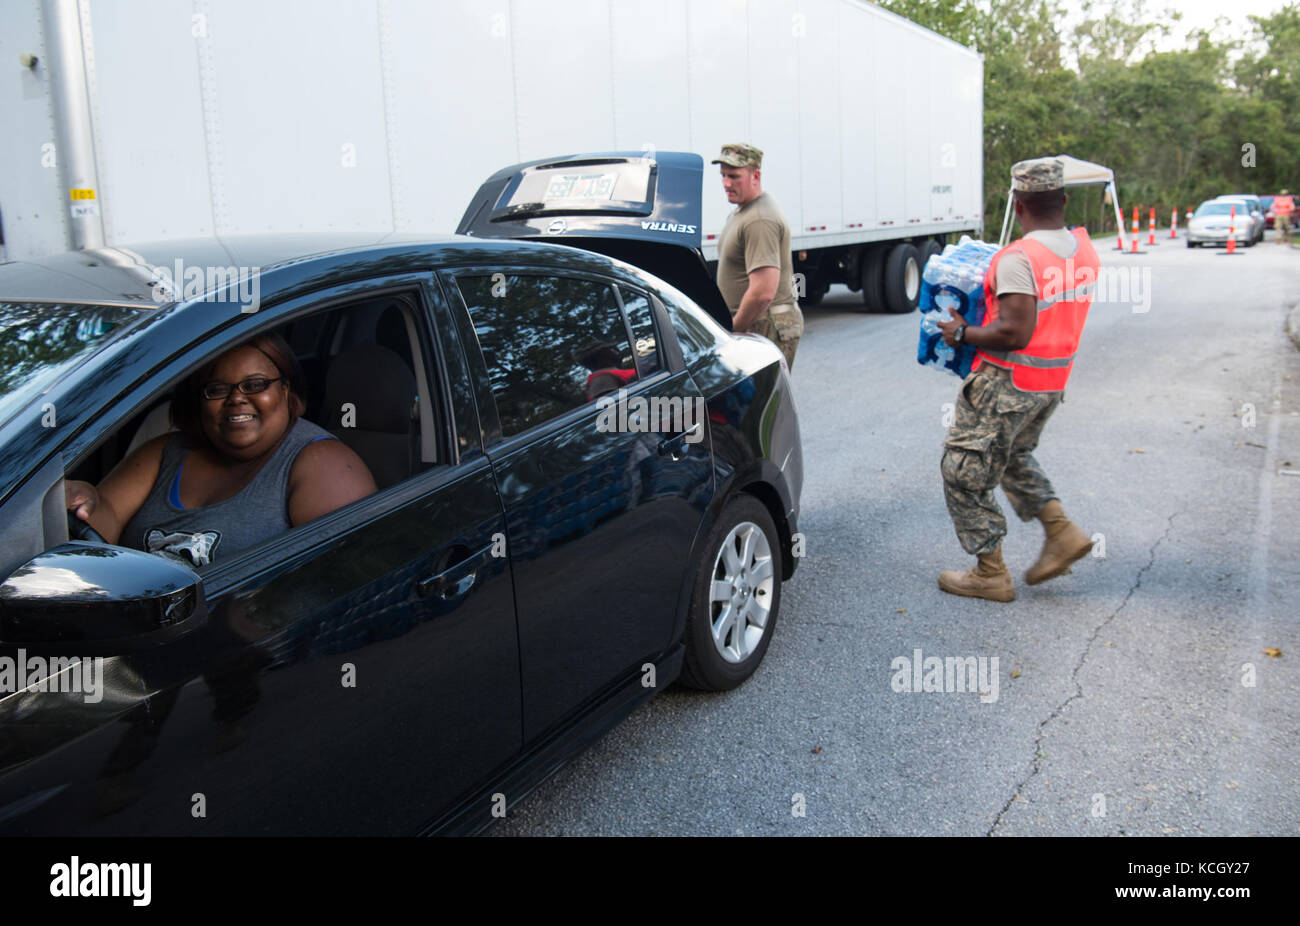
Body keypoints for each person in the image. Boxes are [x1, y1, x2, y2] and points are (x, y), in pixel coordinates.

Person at [934, 157, 1099, 602]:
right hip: (1049, 384)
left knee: (962, 470)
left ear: (1018, 204)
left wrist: (961, 333)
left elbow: (1014, 331)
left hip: (1006, 383)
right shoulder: (1083, 249)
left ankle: (990, 572)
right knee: (1010, 457)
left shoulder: (1019, 258)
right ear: (1063, 200)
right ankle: (1061, 532)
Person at [66, 333, 377, 568]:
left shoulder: (323, 464)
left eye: (255, 385)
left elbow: (336, 581)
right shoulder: (164, 453)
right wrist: (86, 499)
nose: (236, 399)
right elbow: (94, 532)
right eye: (217, 390)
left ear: (285, 390)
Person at [712, 143, 803, 368]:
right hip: (757, 324)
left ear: (756, 176)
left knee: (761, 401)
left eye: (734, 176)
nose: (726, 183)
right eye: (723, 175)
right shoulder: (745, 211)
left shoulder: (760, 219)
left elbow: (763, 292)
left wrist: (734, 331)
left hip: (763, 325)